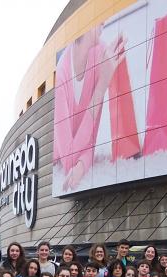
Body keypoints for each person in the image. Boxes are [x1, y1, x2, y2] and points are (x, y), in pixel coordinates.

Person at [54, 23, 126, 191]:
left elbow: (90, 142)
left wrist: (80, 167)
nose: (103, 21)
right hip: (57, 158)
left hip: (75, 153)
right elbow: (68, 160)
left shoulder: (99, 52)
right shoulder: (61, 77)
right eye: (97, 19)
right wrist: (101, 86)